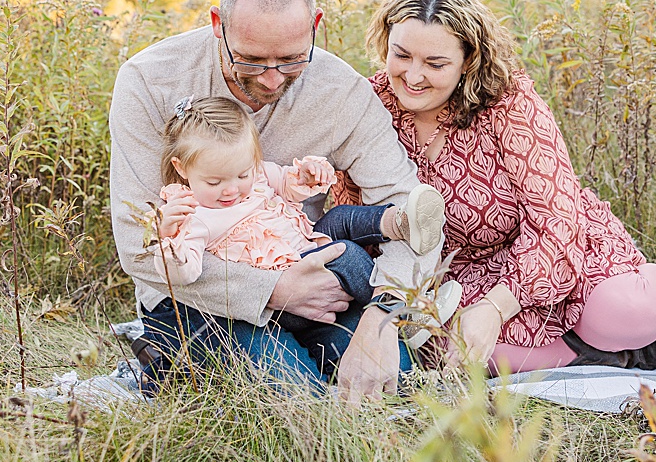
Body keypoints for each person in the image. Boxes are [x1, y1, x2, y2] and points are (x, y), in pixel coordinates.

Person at [336, 0, 656, 375]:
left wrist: (497, 306)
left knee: (620, 314)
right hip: (454, 275)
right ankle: (647, 354)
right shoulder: (369, 106)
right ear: (385, 44)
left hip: (551, 249)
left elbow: (557, 223)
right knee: (445, 350)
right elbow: (354, 213)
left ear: (467, 61)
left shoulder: (508, 105)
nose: (412, 75)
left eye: (435, 63)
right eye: (401, 55)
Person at [109, 0, 444, 398]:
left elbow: (408, 209)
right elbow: (139, 246)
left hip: (315, 285)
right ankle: (164, 356)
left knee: (394, 376)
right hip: (196, 297)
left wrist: (382, 316)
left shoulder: (342, 93)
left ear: (316, 25)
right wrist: (273, 289)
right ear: (217, 24)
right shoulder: (148, 82)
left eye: (290, 60)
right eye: (250, 61)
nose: (270, 80)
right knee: (293, 397)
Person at [142, 95, 448, 340]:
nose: (232, 189)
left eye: (242, 174)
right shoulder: (194, 216)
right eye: (214, 182)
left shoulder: (258, 176)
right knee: (348, 255)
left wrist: (306, 176)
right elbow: (185, 273)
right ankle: (403, 313)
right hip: (285, 300)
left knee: (339, 217)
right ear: (182, 169)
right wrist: (168, 241)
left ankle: (401, 222)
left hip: (306, 248)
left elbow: (288, 184)